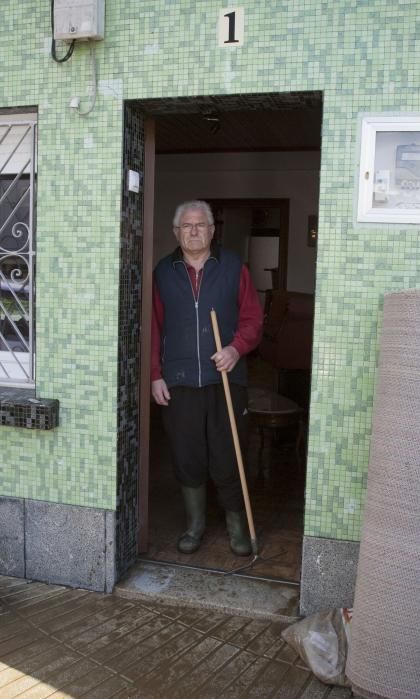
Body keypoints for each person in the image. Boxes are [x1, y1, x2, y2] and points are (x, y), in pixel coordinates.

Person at [151, 200, 263, 556]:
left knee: (228, 455)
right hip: (180, 381)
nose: (195, 231)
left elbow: (252, 321)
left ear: (213, 231)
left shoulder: (233, 267)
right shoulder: (163, 272)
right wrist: (155, 375)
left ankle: (236, 527)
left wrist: (235, 349)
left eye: (201, 225)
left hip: (225, 380)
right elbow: (152, 329)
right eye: (187, 226)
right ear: (176, 233)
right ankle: (195, 525)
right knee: (187, 455)